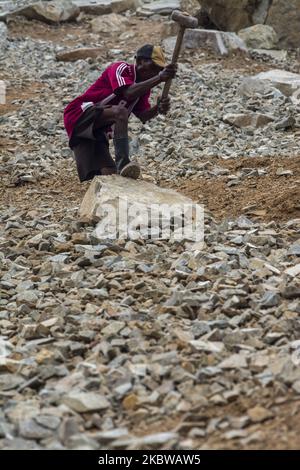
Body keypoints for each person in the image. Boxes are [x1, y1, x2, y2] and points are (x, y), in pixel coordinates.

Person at [63, 44, 177, 182]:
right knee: (120, 112)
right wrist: (160, 78)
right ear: (140, 61)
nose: (155, 72)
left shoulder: (143, 89)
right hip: (78, 115)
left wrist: (158, 108)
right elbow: (128, 93)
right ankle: (123, 162)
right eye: (153, 67)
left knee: (110, 174)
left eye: (158, 70)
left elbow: (144, 116)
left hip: (98, 128)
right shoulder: (121, 68)